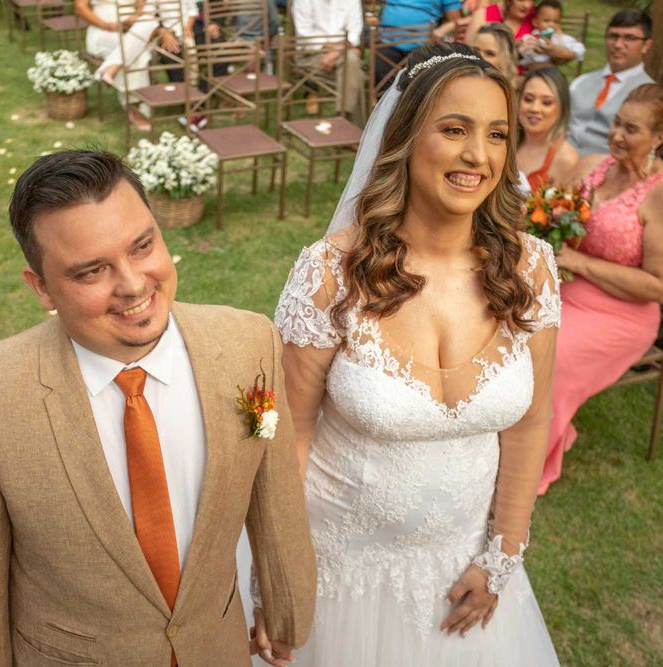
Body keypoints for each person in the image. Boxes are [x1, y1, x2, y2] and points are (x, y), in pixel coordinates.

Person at [0, 150, 317, 664]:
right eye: (92, 271)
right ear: (41, 287)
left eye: (142, 246)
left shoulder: (249, 345)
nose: (134, 284)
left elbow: (275, 495)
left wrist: (285, 603)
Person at [252, 42, 562, 665]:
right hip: (336, 570)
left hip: (463, 576)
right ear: (405, 137)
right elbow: (288, 435)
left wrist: (502, 555)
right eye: (455, 130)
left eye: (497, 134)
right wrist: (277, 578)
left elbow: (530, 424)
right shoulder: (330, 272)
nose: (479, 155)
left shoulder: (530, 267)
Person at [541, 84, 663, 495]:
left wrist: (579, 262)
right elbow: (553, 215)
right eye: (615, 123)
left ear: (659, 137)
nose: (616, 135)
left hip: (622, 314)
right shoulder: (594, 165)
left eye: (630, 129)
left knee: (550, 358)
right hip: (564, 290)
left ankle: (526, 462)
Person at [568, 8, 654, 155]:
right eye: (613, 36)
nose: (618, 45)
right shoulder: (580, 82)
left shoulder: (650, 94)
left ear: (646, 45)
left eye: (629, 38)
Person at [76, 0, 157, 132]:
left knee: (141, 36)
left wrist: (135, 16)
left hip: (132, 28)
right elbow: (80, 8)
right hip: (102, 30)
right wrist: (106, 25)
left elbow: (142, 4)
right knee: (136, 53)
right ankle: (135, 107)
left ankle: (110, 69)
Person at [291, 0, 367, 124]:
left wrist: (337, 52)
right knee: (356, 74)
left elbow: (354, 33)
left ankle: (342, 118)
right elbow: (306, 36)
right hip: (311, 54)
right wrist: (342, 48)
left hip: (343, 52)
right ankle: (352, 128)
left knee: (350, 64)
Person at [518, 66, 579, 190]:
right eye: (528, 99)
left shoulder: (565, 159)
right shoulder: (504, 142)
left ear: (562, 108)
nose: (534, 108)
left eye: (546, 102)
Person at [518, 0, 586, 71]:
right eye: (546, 20)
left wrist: (558, 50)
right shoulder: (531, 37)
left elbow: (579, 49)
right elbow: (522, 56)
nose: (551, 25)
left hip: (549, 72)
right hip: (530, 72)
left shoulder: (559, 38)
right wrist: (526, 50)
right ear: (535, 22)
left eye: (556, 21)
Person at [465, 0, 535, 41]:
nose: (527, 5)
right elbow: (470, 51)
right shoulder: (483, 14)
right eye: (521, 0)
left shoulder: (538, 16)